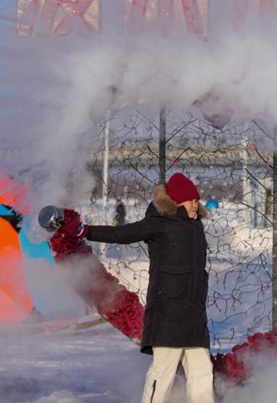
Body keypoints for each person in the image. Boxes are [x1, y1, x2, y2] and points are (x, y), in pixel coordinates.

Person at [76, 173, 214, 403]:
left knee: (202, 372)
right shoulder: (160, 222)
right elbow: (123, 233)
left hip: (194, 314)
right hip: (167, 313)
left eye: (196, 200)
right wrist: (88, 231)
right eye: (190, 200)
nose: (195, 205)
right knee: (163, 373)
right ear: (176, 202)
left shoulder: (195, 227)